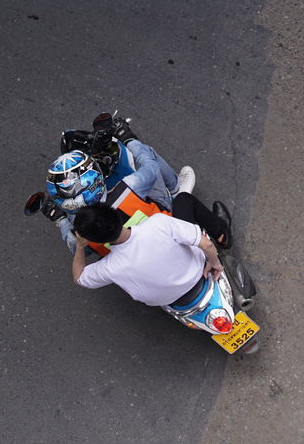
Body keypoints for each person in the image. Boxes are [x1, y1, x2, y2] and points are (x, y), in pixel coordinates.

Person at [45, 115, 197, 250]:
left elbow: (75, 246)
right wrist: (129, 139)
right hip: (164, 225)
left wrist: (60, 219)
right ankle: (176, 189)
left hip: (132, 259)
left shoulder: (79, 227)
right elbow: (151, 167)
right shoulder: (130, 186)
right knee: (146, 153)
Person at [71, 203, 224, 307]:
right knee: (183, 199)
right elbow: (206, 245)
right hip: (199, 271)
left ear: (95, 241)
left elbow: (79, 278)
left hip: (171, 300)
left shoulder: (109, 267)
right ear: (116, 215)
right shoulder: (157, 223)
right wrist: (215, 263)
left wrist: (80, 246)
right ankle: (222, 232)